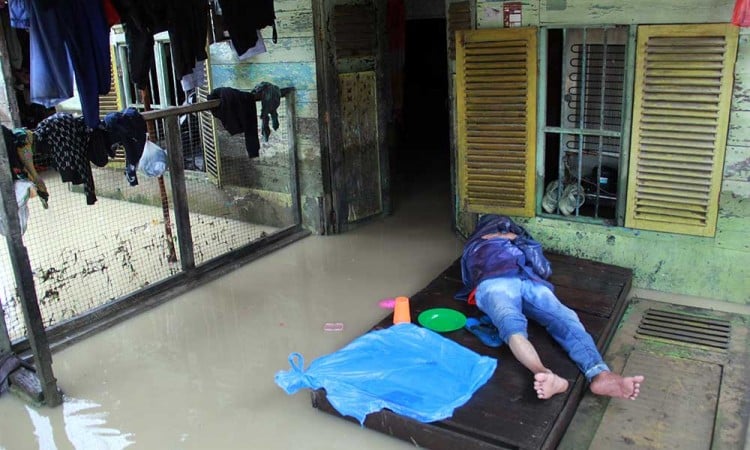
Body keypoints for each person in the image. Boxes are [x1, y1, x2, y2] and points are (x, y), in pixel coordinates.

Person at [456, 214, 644, 400]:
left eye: (506, 227)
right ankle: (544, 373)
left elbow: (544, 270)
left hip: (531, 281)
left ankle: (600, 373)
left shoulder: (521, 242)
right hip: (495, 282)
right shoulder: (476, 245)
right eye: (495, 226)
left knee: (563, 316)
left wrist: (519, 241)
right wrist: (499, 242)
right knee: (510, 322)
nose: (501, 228)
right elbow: (472, 277)